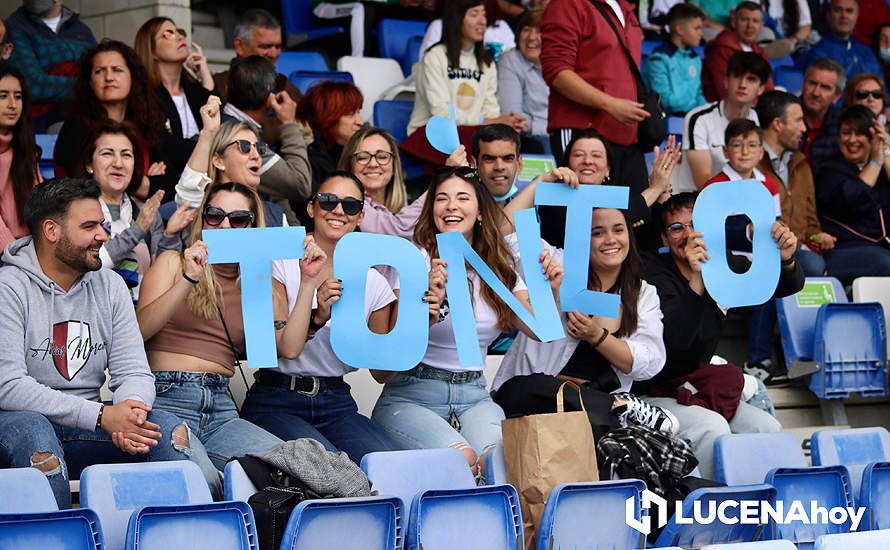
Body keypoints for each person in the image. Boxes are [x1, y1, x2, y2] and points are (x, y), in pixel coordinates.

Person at [0, 178, 193, 509]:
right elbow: (9, 386)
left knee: (169, 433)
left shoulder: (110, 285)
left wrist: (131, 411)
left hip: (89, 426)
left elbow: (134, 370)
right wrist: (102, 415)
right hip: (17, 424)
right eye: (89, 226)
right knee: (36, 435)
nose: (103, 236)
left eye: (102, 225)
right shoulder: (9, 287)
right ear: (51, 231)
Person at [370, 167, 534, 474]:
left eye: (462, 198)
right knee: (461, 462)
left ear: (481, 211)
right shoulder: (413, 261)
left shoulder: (498, 268)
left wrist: (550, 287)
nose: (452, 206)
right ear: (431, 210)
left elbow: (537, 329)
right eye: (442, 199)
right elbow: (383, 367)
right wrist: (425, 314)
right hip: (412, 392)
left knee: (500, 462)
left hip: (474, 395)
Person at [637, 192, 804, 479]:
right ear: (664, 239)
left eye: (695, 224)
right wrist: (696, 277)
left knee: (767, 429)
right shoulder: (652, 272)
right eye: (677, 228)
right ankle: (718, 516)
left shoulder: (722, 264)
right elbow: (675, 342)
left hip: (698, 385)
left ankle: (769, 511)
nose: (688, 235)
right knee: (713, 428)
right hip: (653, 390)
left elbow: (782, 284)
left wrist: (786, 260)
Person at [136, 180, 284, 498]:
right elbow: (138, 333)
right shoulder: (172, 263)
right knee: (201, 479)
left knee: (292, 469)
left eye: (239, 219)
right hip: (167, 397)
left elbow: (277, 349)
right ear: (203, 219)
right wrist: (189, 278)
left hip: (221, 407)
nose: (226, 225)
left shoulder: (259, 282)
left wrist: (303, 285)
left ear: (252, 227)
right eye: (215, 215)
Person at [240, 172, 399, 463]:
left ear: (360, 215)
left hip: (336, 401)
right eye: (329, 201)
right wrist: (316, 312)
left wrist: (422, 320)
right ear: (311, 208)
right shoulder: (277, 262)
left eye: (350, 205)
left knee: (390, 463)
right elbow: (274, 347)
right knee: (331, 469)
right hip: (276, 397)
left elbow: (381, 373)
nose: (339, 210)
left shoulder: (374, 281)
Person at [492, 207, 675, 439]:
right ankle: (614, 406)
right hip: (531, 406)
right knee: (528, 385)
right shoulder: (557, 264)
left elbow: (649, 363)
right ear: (581, 239)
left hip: (591, 421)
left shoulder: (643, 293)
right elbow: (502, 233)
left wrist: (596, 336)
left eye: (618, 230)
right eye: (597, 233)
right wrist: (541, 181)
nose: (610, 240)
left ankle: (610, 407)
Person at [748, 90, 834, 383]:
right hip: (761, 248)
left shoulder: (801, 163)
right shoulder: (752, 162)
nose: (804, 127)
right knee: (790, 264)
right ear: (777, 124)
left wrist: (817, 235)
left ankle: (814, 358)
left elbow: (810, 219)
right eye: (797, 120)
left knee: (817, 262)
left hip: (800, 247)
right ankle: (760, 358)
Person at [504, 128, 679, 250]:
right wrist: (654, 189)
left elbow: (651, 239)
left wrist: (663, 192)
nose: (588, 161)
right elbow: (599, 226)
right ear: (567, 164)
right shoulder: (554, 198)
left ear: (608, 169)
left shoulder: (620, 198)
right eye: (579, 155)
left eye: (596, 155)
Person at [79, 122, 195, 300]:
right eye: (107, 154)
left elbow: (162, 281)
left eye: (126, 155)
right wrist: (137, 229)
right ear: (89, 164)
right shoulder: (76, 211)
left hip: (138, 317)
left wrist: (170, 236)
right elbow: (86, 267)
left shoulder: (146, 213)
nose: (118, 163)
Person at [541, 0, 649, 190]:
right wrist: (610, 104)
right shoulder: (567, 4)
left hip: (626, 135)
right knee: (580, 215)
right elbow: (556, 71)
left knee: (633, 215)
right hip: (581, 132)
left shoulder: (626, 8)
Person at [405, 0, 526, 166]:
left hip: (472, 132)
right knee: (481, 149)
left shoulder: (486, 62)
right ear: (457, 18)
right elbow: (441, 113)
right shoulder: (435, 56)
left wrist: (503, 121)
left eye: (484, 14)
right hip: (432, 133)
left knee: (506, 142)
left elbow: (490, 108)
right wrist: (486, 122)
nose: (482, 21)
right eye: (474, 14)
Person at [54, 40, 166, 196]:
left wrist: (128, 182)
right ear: (90, 83)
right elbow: (88, 184)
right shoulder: (76, 126)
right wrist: (144, 182)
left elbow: (169, 182)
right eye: (99, 71)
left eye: (117, 70)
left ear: (132, 77)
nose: (109, 77)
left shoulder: (144, 125)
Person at [219, 55, 312, 225]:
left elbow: (277, 194)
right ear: (271, 98)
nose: (253, 153)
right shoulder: (237, 137)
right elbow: (300, 184)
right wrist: (289, 124)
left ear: (226, 90)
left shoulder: (224, 123)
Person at [172, 100, 289, 227]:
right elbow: (189, 191)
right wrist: (209, 133)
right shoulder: (200, 208)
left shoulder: (276, 216)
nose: (256, 156)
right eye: (245, 147)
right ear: (218, 161)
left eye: (259, 148)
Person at [134, 17, 213, 193]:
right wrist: (213, 148)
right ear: (151, 51)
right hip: (172, 189)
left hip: (208, 183)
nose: (179, 37)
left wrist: (205, 75)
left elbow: (220, 122)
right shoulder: (144, 94)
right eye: (167, 34)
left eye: (179, 32)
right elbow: (168, 147)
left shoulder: (194, 90)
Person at [815, 105, 890, 284]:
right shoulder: (829, 169)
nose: (852, 140)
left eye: (860, 134)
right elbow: (852, 199)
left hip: (880, 249)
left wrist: (884, 150)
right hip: (843, 251)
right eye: (846, 133)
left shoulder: (882, 169)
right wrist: (876, 162)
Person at [211, 9, 302, 146]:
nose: (273, 53)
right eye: (265, 46)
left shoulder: (289, 88)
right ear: (239, 46)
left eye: (278, 46)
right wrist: (288, 124)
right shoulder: (217, 85)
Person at [683, 52, 770, 190]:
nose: (742, 84)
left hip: (741, 202)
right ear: (725, 81)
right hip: (697, 202)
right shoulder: (699, 118)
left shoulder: (757, 118)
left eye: (751, 79)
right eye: (736, 76)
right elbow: (703, 183)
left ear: (761, 89)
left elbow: (755, 170)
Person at [5, 1, 96, 130]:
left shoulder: (81, 29)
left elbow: (100, 70)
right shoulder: (15, 27)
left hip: (90, 113)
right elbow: (31, 85)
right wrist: (89, 86)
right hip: (46, 123)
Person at [337, 125, 426, 239]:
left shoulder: (407, 203)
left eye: (382, 157)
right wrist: (442, 184)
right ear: (349, 166)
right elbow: (396, 232)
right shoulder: (346, 204)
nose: (373, 164)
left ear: (394, 166)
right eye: (363, 157)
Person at [703, 119, 782, 218]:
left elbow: (776, 220)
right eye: (737, 145)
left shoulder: (770, 184)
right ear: (725, 151)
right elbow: (708, 226)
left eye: (752, 145)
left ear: (761, 152)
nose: (745, 152)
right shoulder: (713, 187)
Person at [496, 9, 549, 150]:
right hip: (530, 138)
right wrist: (547, 128)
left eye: (539, 31)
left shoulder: (564, 61)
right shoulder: (510, 60)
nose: (531, 37)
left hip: (560, 133)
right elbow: (514, 117)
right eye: (526, 30)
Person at [701, 2, 774, 103]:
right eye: (744, 20)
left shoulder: (760, 53)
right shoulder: (720, 50)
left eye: (755, 21)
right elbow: (726, 93)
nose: (750, 26)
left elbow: (768, 90)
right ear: (734, 22)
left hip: (752, 111)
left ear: (761, 26)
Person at [296, 81, 364, 190]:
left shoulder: (354, 150)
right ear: (328, 116)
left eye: (358, 112)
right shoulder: (305, 156)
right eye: (350, 114)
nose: (360, 121)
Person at [0, 63, 38, 251]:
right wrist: (15, 257)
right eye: (3, 96)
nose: (13, 105)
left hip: (26, 248)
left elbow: (40, 203)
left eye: (18, 96)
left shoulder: (25, 148)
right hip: (10, 254)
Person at [644, 3, 707, 116]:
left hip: (691, 118)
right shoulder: (658, 59)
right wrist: (694, 107)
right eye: (696, 28)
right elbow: (664, 101)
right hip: (667, 121)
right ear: (680, 29)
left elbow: (698, 95)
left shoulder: (695, 58)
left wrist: (707, 111)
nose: (701, 33)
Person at [801, 0, 882, 81]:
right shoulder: (818, 53)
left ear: (857, 16)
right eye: (838, 10)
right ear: (828, 15)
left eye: (849, 11)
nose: (844, 15)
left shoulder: (867, 51)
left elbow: (882, 87)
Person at [800, 57, 845, 169]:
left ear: (837, 96)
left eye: (825, 87)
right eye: (812, 83)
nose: (816, 93)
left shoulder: (843, 124)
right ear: (803, 84)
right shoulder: (783, 113)